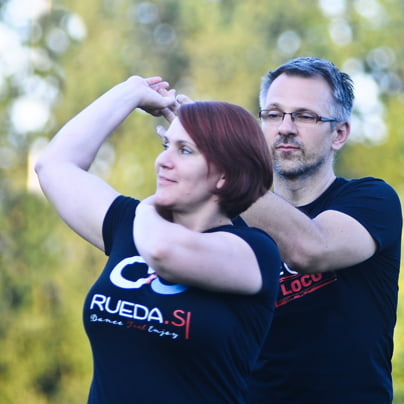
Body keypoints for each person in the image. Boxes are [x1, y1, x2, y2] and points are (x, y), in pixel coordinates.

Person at [34, 75, 281, 404]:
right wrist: (131, 92)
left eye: (184, 150)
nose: (162, 161)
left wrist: (147, 207)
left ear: (225, 175)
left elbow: (163, 252)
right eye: (166, 145)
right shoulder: (132, 225)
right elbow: (53, 165)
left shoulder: (255, 251)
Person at [239, 57, 402, 403]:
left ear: (339, 134)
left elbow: (311, 248)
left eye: (304, 116)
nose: (285, 127)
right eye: (273, 114)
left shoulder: (372, 200)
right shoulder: (232, 220)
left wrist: (221, 166)